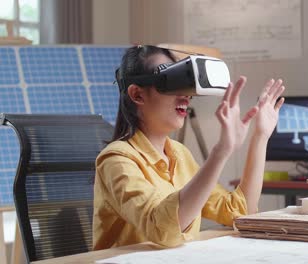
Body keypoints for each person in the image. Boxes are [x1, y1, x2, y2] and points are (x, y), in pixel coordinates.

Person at [92, 45, 285, 250]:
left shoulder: (179, 154)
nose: (185, 96)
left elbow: (237, 212)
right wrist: (220, 152)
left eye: (186, 87)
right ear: (137, 94)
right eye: (172, 83)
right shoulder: (116, 160)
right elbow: (161, 229)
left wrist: (261, 136)